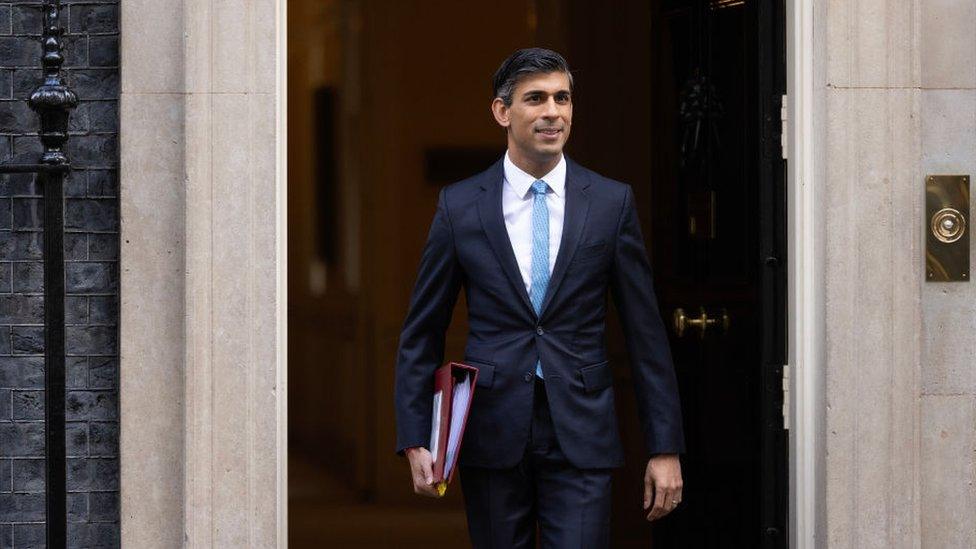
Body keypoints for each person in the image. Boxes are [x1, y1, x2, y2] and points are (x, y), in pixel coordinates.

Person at [393, 47, 685, 548]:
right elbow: (422, 330)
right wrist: (416, 435)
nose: (553, 111)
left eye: (562, 98)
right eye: (536, 98)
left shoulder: (611, 203)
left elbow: (646, 334)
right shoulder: (460, 206)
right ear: (502, 112)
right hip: (491, 430)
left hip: (582, 432)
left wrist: (665, 447)